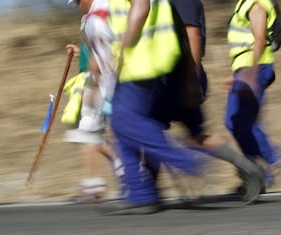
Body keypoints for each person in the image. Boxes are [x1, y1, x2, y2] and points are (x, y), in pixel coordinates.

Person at [149, 0, 264, 203]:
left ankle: (148, 190)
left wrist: (191, 80)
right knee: (194, 134)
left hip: (180, 75)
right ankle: (248, 168)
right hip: (181, 74)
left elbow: (192, 34)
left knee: (149, 128)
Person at [106, 0, 208, 214]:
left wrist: (122, 49)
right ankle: (140, 194)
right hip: (143, 59)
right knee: (122, 131)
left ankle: (184, 159)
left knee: (124, 122)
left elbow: (141, 6)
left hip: (142, 59)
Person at [64, 0, 124, 201]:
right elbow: (95, 47)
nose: (77, 6)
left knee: (87, 133)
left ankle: (96, 185)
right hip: (94, 80)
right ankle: (122, 170)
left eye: (78, 2)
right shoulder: (89, 17)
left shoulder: (102, 12)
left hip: (100, 82)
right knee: (89, 133)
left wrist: (93, 78)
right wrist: (79, 51)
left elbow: (107, 50)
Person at [224, 0, 281, 187]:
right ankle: (261, 171)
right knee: (239, 122)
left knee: (238, 121)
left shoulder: (256, 4)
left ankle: (270, 160)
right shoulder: (245, 3)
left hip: (254, 69)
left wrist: (250, 72)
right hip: (247, 68)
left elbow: (259, 38)